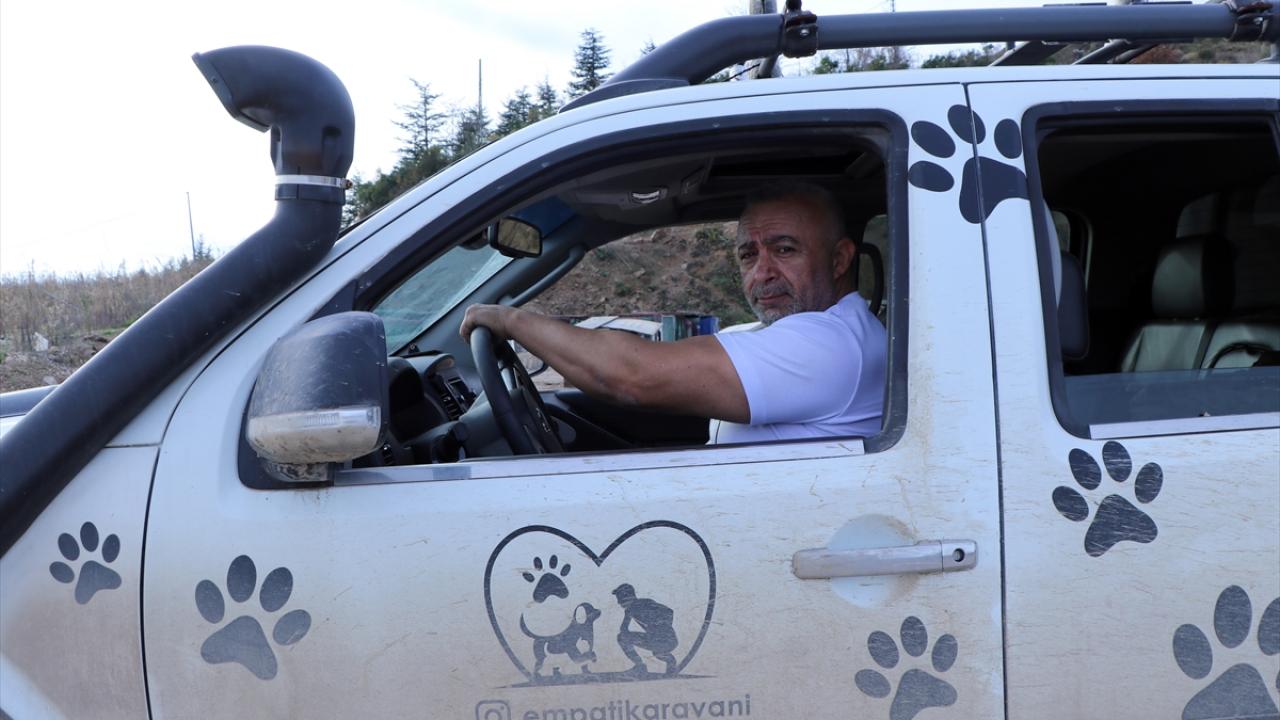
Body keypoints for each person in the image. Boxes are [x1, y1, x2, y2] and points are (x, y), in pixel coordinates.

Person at [460, 181, 887, 443]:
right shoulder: (789, 334)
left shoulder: (831, 345)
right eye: (748, 255)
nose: (762, 273)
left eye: (785, 249)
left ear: (839, 259)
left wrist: (511, 320)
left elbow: (633, 375)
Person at [611, 583, 679, 676]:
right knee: (657, 652)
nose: (618, 603)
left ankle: (642, 665)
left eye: (619, 598)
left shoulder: (643, 603)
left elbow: (669, 611)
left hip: (666, 640)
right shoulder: (630, 609)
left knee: (623, 638)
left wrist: (660, 626)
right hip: (657, 640)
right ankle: (644, 666)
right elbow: (624, 629)